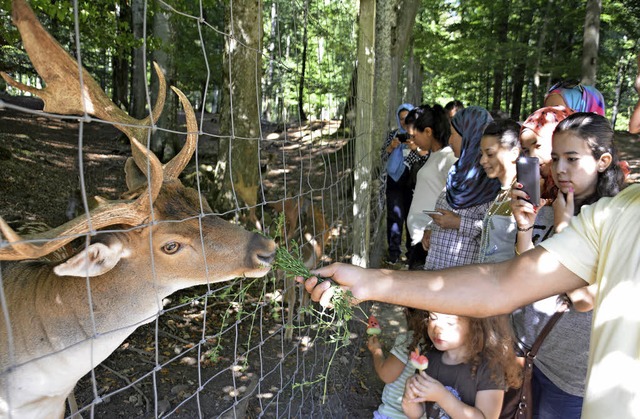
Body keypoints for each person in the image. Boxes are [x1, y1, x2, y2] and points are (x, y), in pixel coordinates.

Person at [299, 179, 640, 418]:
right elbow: (501, 284)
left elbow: (574, 298)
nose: (635, 121)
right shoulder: (621, 214)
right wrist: (369, 281)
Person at [509, 112, 627, 418]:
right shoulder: (551, 211)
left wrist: (566, 231)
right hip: (526, 358)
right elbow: (526, 280)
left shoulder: (616, 224)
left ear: (602, 161)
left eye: (572, 159)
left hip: (569, 381)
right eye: (556, 157)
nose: (560, 169)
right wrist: (525, 228)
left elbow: (585, 299)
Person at [401, 312, 521, 419]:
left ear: (475, 325)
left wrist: (442, 397)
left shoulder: (489, 368)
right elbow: (416, 413)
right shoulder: (429, 358)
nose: (437, 328)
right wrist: (408, 398)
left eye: (450, 322)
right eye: (433, 318)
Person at [424, 106, 500, 270]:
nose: (450, 141)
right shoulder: (457, 172)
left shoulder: (491, 181)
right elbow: (445, 207)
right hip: (436, 268)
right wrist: (431, 228)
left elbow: (495, 231)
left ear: (469, 137)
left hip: (462, 280)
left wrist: (459, 223)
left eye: (453, 134)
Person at [404, 104, 455, 270]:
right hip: (421, 238)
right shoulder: (434, 156)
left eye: (414, 135)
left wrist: (432, 228)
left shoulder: (448, 159)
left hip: (429, 241)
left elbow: (453, 199)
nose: (412, 140)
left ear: (428, 131)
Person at [368, 308, 429, 419]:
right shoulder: (450, 352)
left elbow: (386, 375)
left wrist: (376, 351)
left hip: (390, 414)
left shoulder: (408, 340)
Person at [476, 118, 521, 263]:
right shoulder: (502, 192)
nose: (482, 160)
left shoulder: (522, 194)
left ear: (514, 153)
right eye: (481, 154)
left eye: (490, 154)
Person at [381, 103, 417, 264]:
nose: (404, 122)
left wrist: (415, 148)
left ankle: (411, 254)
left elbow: (426, 157)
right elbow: (382, 156)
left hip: (413, 182)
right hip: (394, 181)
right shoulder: (393, 134)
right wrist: (391, 147)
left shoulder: (419, 135)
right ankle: (394, 253)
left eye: (407, 118)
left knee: (412, 218)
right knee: (394, 217)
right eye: (401, 119)